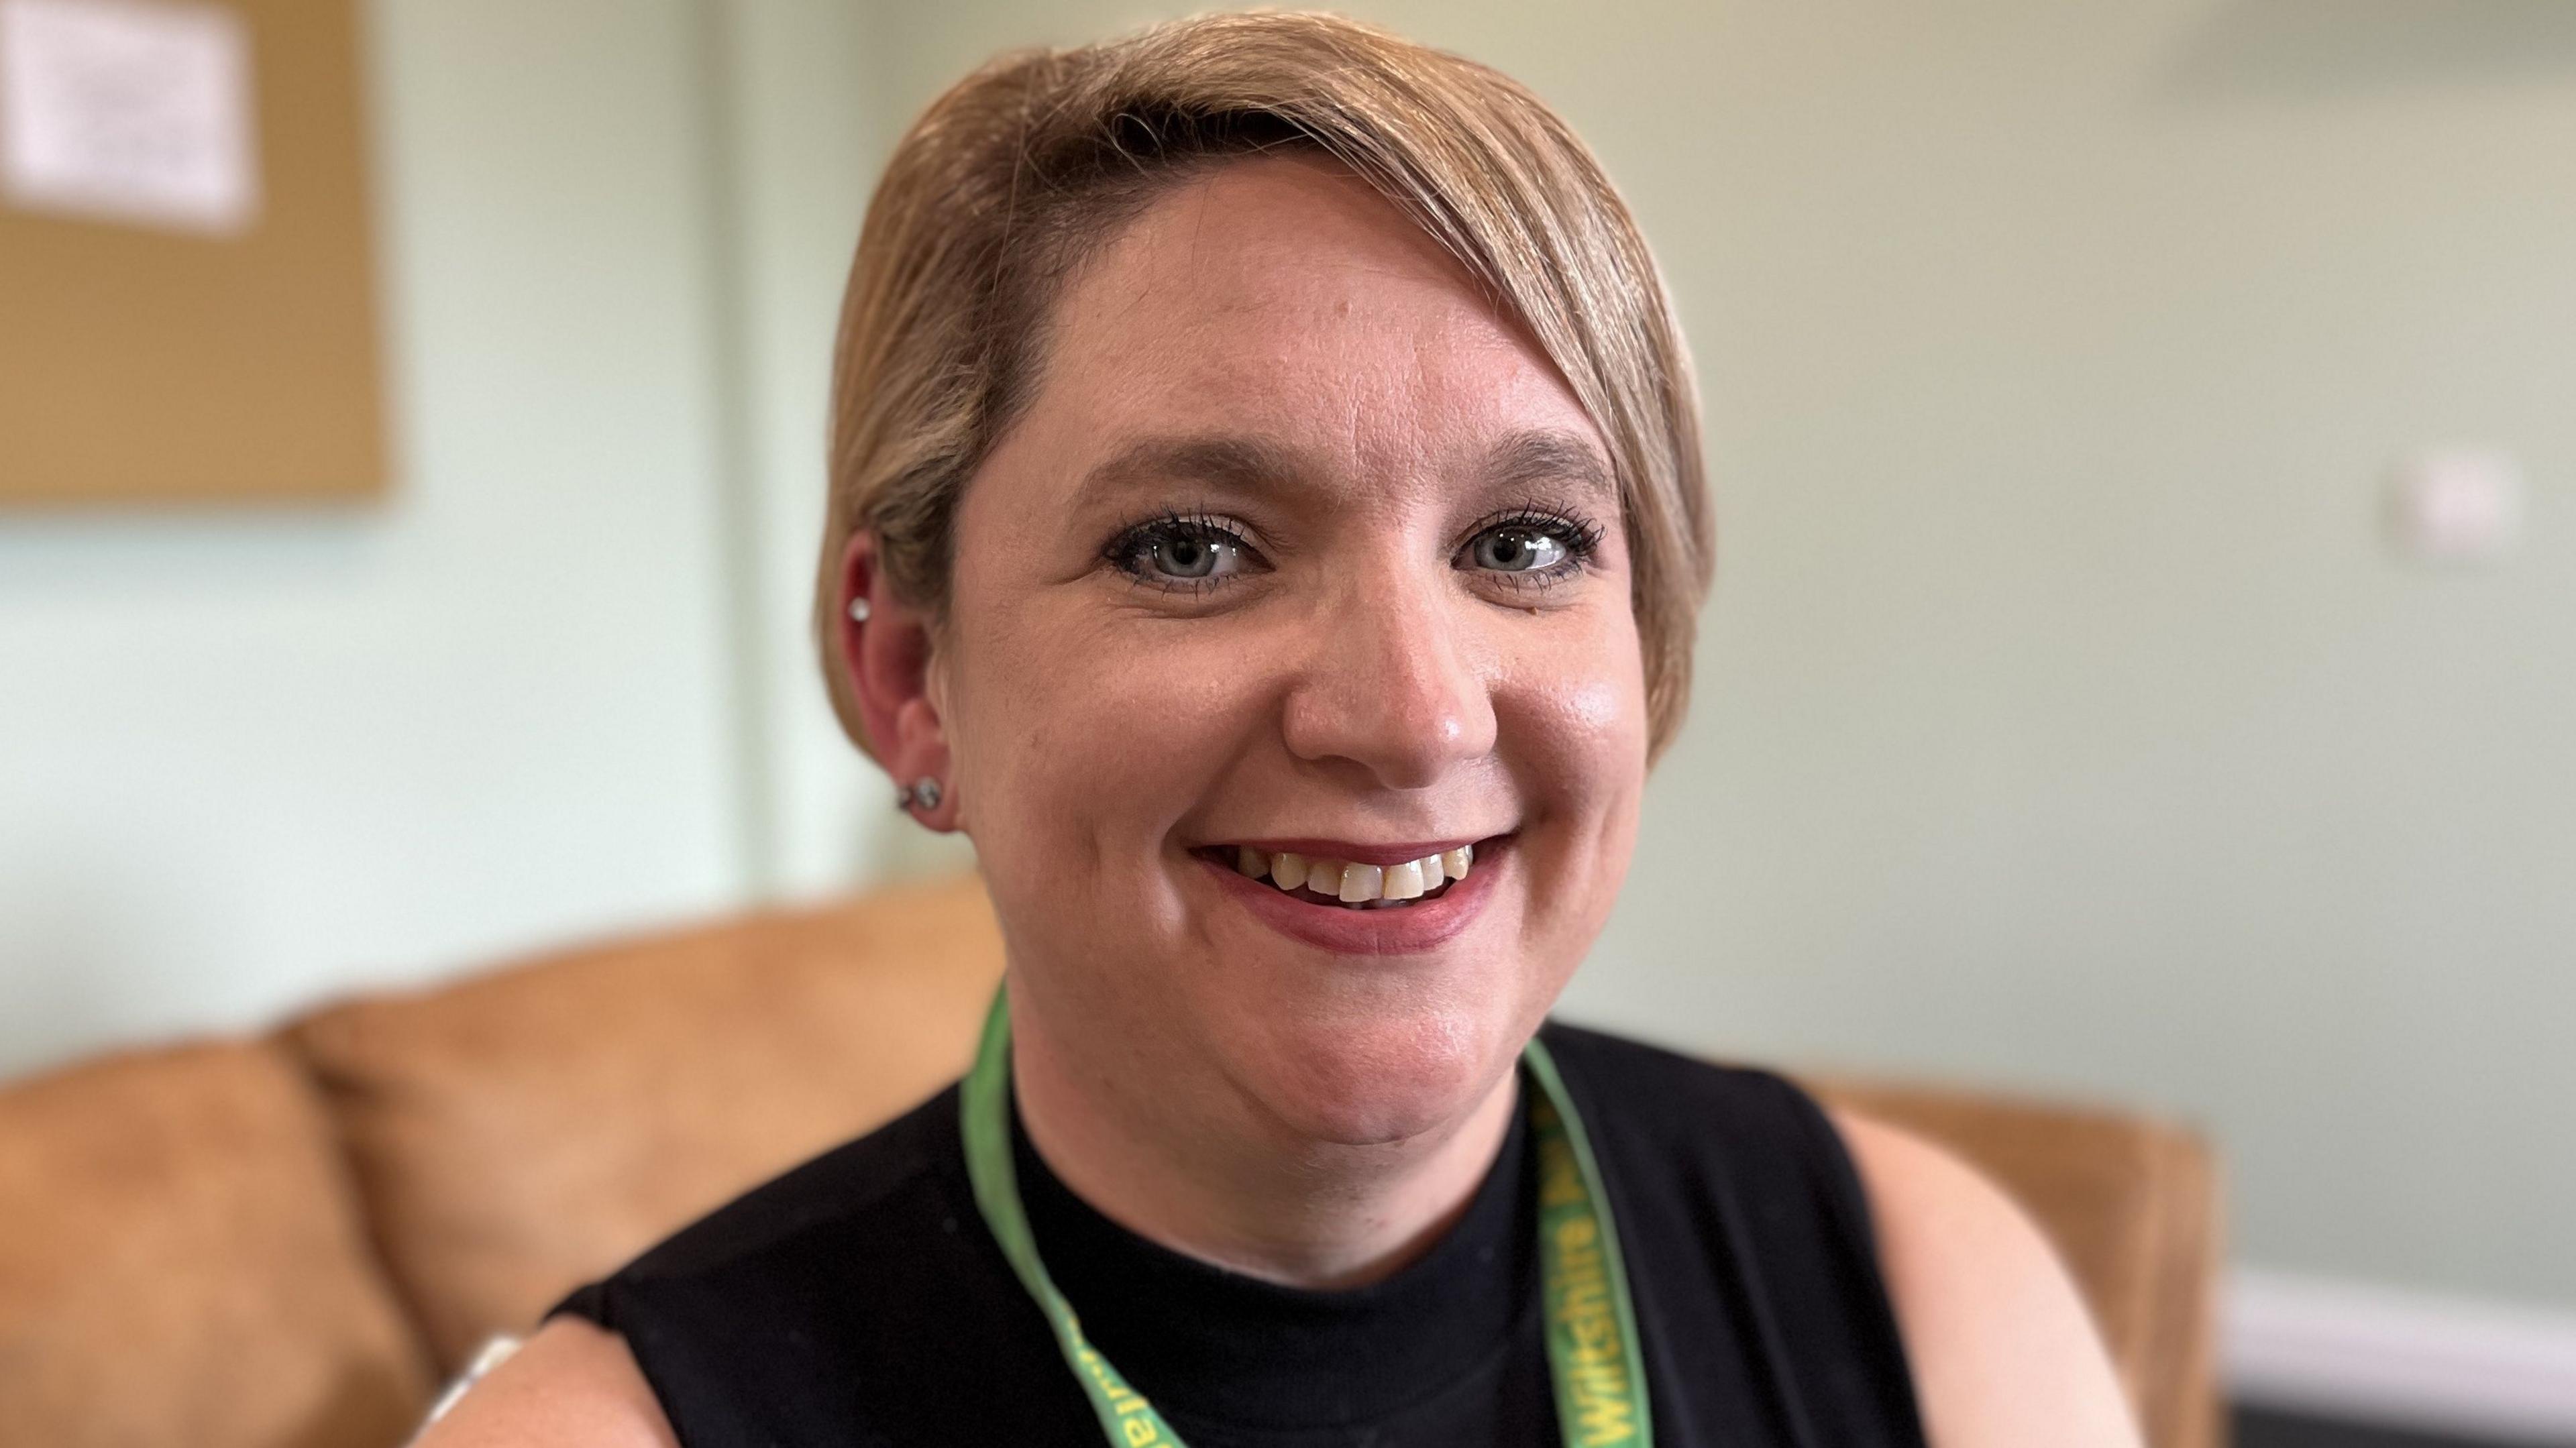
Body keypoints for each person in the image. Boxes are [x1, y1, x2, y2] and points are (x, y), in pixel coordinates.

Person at [425, 12, 2139, 1447]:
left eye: (1524, 543)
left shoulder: (1929, 1300)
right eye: (1191, 546)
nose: (1411, 713)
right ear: (909, 674)